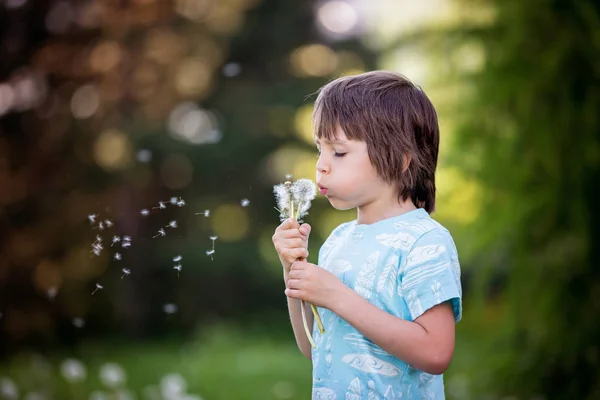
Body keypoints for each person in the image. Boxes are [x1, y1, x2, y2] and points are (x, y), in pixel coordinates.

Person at [272, 71, 462, 399]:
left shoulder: (424, 241)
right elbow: (314, 347)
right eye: (320, 150)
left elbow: (436, 353)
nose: (321, 166)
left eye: (339, 152)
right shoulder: (339, 240)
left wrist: (336, 296)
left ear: (401, 159)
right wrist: (293, 270)